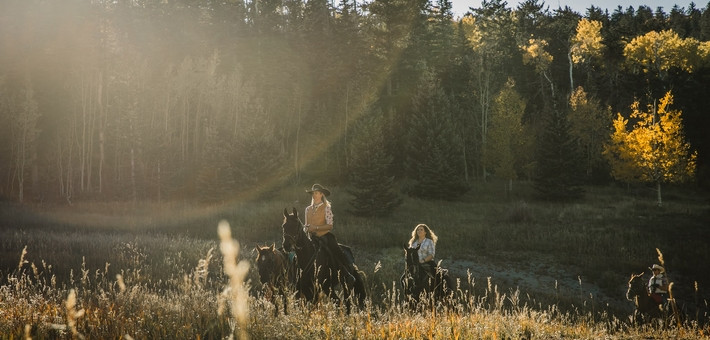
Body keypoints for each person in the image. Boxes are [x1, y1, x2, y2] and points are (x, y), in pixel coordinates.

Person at [304, 184, 356, 282]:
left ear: (321, 195)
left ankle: (346, 273)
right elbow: (306, 225)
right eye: (313, 193)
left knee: (336, 250)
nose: (314, 195)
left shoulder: (326, 208)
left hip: (324, 236)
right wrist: (306, 229)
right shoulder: (308, 209)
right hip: (311, 238)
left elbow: (330, 226)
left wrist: (316, 227)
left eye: (316, 193)